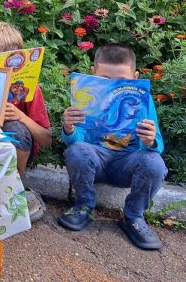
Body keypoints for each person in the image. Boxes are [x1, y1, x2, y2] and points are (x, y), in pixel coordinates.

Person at [58, 43, 167, 250]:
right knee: (77, 151)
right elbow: (76, 142)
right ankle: (84, 206)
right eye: (105, 80)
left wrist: (150, 140)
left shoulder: (143, 102)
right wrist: (69, 127)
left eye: (121, 81)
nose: (113, 85)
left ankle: (133, 216)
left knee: (154, 163)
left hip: (127, 163)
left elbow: (157, 146)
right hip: (95, 160)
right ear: (93, 74)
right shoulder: (87, 97)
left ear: (135, 78)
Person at [0, 22, 52, 222]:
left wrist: (21, 116)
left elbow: (46, 139)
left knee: (16, 129)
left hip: (16, 148)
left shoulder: (29, 89)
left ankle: (12, 189)